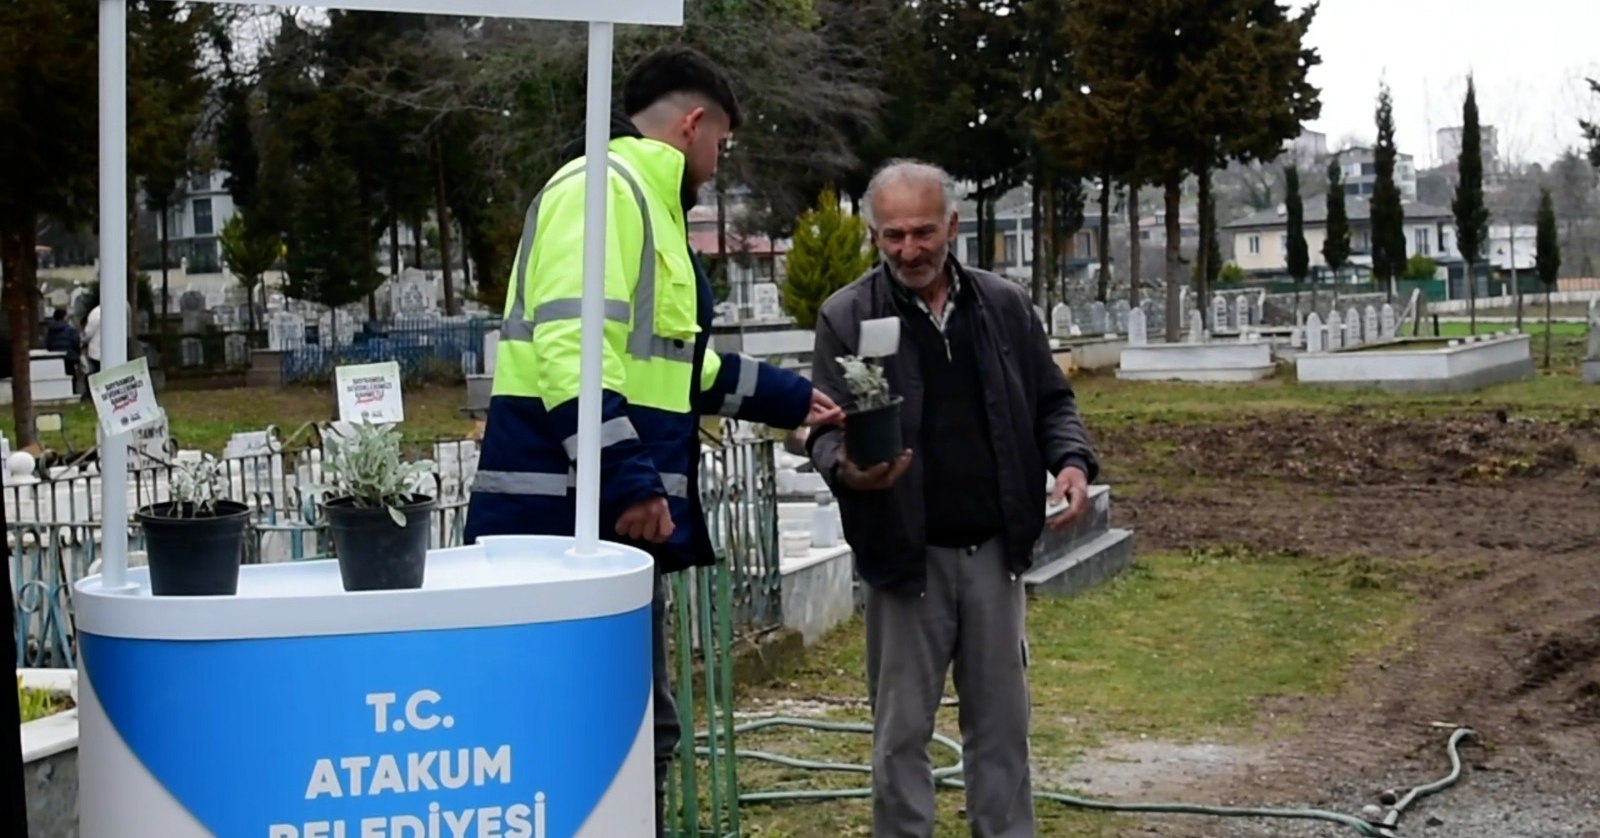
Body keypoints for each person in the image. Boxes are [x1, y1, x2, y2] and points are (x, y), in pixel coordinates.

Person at [462, 45, 842, 837]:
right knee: (584, 741)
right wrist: (629, 481)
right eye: (723, 144)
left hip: (603, 530)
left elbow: (675, 364)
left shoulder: (644, 206)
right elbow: (574, 352)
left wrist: (789, 397)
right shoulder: (603, 193)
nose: (719, 161)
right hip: (562, 528)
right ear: (694, 123)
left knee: (638, 731)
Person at [805, 159, 1100, 838]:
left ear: (953, 228)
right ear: (874, 235)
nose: (909, 250)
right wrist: (848, 467)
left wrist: (1071, 461)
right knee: (901, 737)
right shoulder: (848, 314)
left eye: (923, 233)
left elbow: (1052, 401)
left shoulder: (1002, 306)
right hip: (905, 560)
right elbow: (820, 428)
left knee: (1002, 732)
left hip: (995, 554)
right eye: (892, 236)